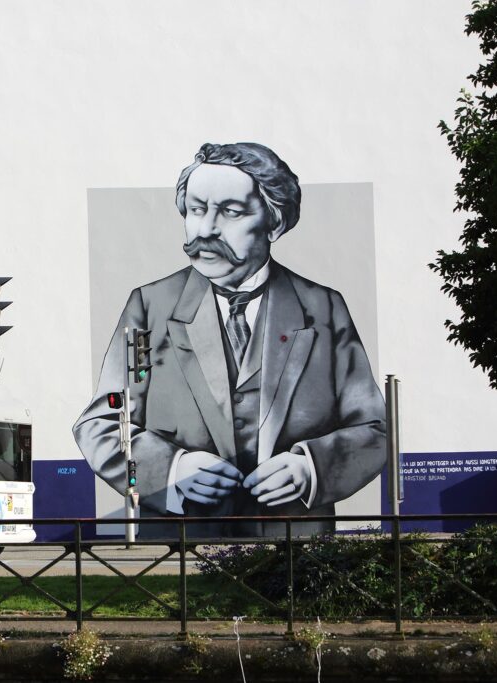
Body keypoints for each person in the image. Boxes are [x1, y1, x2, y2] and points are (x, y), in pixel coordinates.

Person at [73, 142, 386, 538]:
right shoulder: (150, 305)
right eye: (196, 210)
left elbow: (375, 427)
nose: (205, 230)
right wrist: (170, 469)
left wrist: (311, 468)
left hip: (293, 550)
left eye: (231, 212)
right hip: (177, 553)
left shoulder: (322, 308)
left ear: (274, 222)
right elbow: (100, 422)